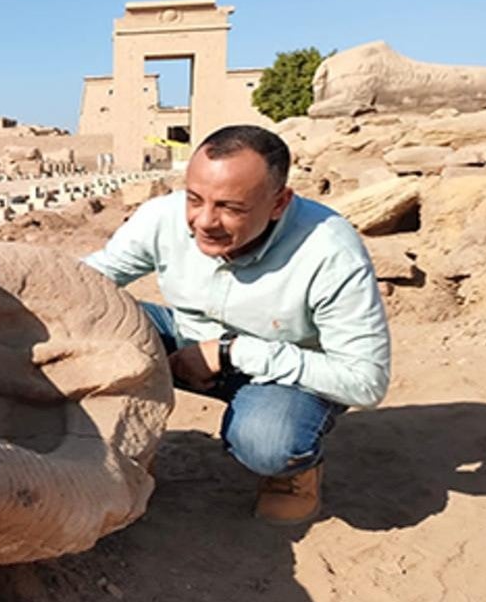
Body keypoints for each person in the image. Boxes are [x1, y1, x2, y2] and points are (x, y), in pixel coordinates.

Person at [83, 125, 391, 525]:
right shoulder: (163, 216)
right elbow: (89, 282)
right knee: (91, 325)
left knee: (269, 443)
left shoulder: (329, 251)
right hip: (186, 339)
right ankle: (130, 452)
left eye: (231, 208)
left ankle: (294, 471)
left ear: (279, 202)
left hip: (283, 372)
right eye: (194, 199)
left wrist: (231, 352)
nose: (204, 221)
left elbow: (367, 380)